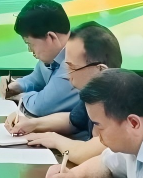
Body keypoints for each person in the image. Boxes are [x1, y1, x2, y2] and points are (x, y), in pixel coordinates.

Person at [13, 21, 119, 158]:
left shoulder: (122, 103)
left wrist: (54, 139)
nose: (67, 74)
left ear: (100, 70)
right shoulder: (93, 94)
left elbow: (91, 153)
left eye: (72, 67)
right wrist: (33, 124)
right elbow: (72, 120)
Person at [0, 0, 76, 119]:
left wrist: (19, 97)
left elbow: (40, 106)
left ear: (51, 37)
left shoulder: (76, 61)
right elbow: (37, 79)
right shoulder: (53, 55)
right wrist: (16, 86)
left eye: (30, 44)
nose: (30, 50)